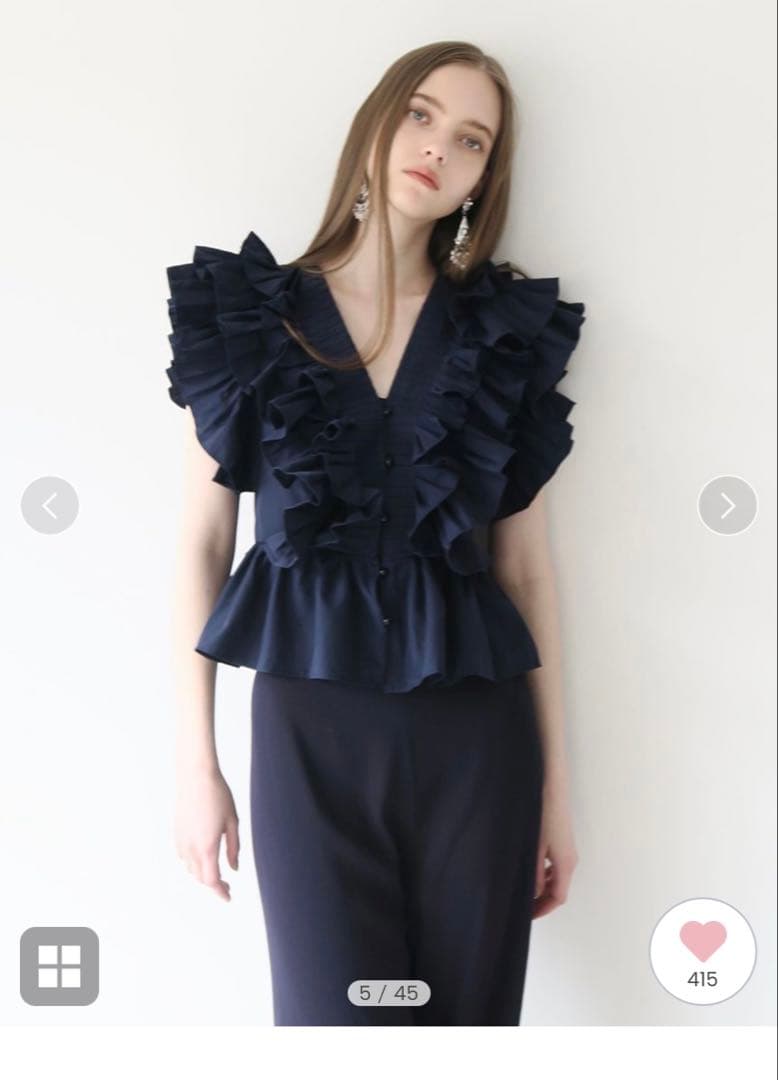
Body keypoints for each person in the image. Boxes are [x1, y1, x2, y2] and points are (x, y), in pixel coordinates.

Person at [166, 40, 586, 1026]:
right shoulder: (250, 320)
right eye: (421, 114)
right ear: (376, 122)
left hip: (479, 747)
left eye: (472, 139)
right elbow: (200, 546)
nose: (438, 147)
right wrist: (196, 765)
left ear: (485, 180)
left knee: (466, 1036)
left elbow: (526, 573)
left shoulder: (500, 337)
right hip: (308, 743)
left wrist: (557, 794)